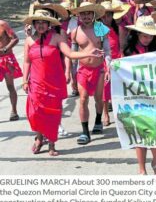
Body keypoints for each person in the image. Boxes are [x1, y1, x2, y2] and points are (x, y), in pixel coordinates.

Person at [23, 9, 102, 155]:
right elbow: (27, 61)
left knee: (52, 114)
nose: (40, 25)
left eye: (43, 22)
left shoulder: (57, 38)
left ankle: (52, 145)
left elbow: (71, 54)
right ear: (33, 24)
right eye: (37, 22)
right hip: (35, 83)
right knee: (34, 113)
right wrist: (24, 80)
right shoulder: (28, 41)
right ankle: (39, 138)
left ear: (49, 25)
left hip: (54, 83)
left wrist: (88, 53)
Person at [123, 16, 156, 175]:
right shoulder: (128, 51)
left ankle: (155, 161)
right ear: (137, 34)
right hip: (136, 98)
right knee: (140, 133)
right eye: (143, 35)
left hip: (155, 97)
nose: (147, 38)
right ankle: (141, 168)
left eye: (149, 35)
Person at [70, 2, 111, 145]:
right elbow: (72, 54)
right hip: (82, 69)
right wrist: (72, 74)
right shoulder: (75, 32)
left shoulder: (100, 28)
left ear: (94, 14)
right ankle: (85, 132)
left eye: (89, 13)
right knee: (83, 99)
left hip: (99, 69)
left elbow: (106, 50)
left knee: (99, 98)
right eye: (83, 13)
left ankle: (98, 120)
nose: (86, 16)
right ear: (79, 15)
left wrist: (108, 67)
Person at [0, 20, 22, 121]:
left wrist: (5, 49)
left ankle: (14, 111)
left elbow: (15, 39)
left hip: (6, 59)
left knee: (10, 86)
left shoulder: (3, 24)